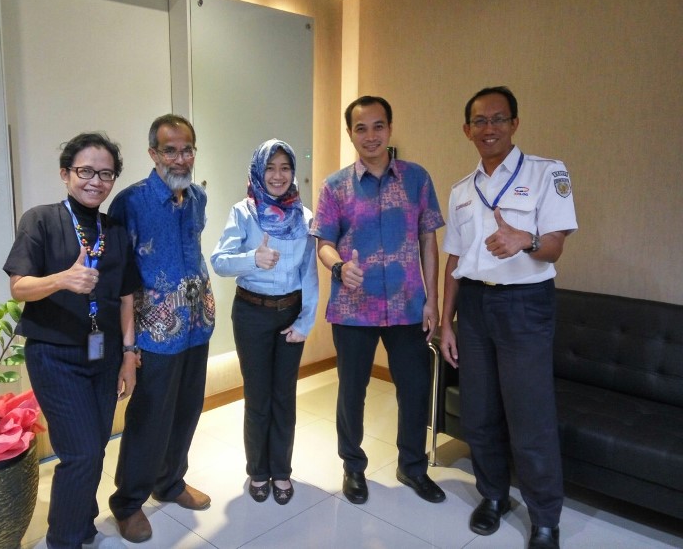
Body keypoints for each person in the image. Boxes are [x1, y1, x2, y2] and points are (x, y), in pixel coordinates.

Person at [439, 86, 578, 549]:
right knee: (478, 412)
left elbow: (554, 246)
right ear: (467, 130)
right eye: (479, 121)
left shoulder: (546, 172)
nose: (489, 128)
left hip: (525, 305)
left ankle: (545, 519)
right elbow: (454, 259)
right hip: (474, 307)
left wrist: (526, 240)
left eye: (498, 119)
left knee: (529, 417)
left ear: (514, 123)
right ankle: (494, 495)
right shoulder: (461, 190)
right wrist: (446, 323)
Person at [4, 132, 141, 549]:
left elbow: (126, 298)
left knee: (95, 447)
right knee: (80, 453)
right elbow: (19, 287)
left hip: (106, 353)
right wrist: (62, 279)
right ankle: (63, 539)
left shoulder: (114, 231)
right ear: (66, 174)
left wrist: (129, 355)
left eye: (106, 174)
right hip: (55, 355)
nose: (95, 181)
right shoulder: (41, 220)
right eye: (85, 171)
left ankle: (82, 525)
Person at [311, 95, 446, 506]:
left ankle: (413, 466)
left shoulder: (416, 178)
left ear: (389, 128)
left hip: (408, 304)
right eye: (361, 128)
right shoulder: (335, 186)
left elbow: (428, 239)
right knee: (352, 391)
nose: (370, 136)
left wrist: (432, 301)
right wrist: (338, 267)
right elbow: (324, 243)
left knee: (415, 387)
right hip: (354, 308)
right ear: (350, 133)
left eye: (378, 126)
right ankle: (353, 466)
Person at [107, 114, 215, 543]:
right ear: (153, 153)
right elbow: (119, 277)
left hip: (197, 324)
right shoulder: (130, 203)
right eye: (170, 150)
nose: (180, 158)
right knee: (149, 418)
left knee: (187, 410)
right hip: (154, 332)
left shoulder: (198, 197)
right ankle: (128, 502)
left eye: (187, 149)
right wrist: (127, 346)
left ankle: (170, 482)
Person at [210, 139, 318, 505]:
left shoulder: (304, 217)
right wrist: (252, 259)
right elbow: (219, 261)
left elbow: (309, 273)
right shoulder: (244, 212)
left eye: (285, 168)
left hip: (290, 313)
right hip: (251, 313)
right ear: (258, 170)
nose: (277, 175)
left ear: (293, 173)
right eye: (270, 167)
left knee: (284, 396)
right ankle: (258, 470)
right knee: (257, 396)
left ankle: (281, 470)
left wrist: (305, 321)